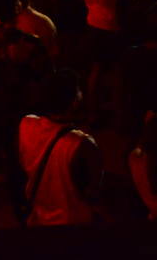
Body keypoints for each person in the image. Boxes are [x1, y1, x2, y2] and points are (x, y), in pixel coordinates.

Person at [18, 69, 102, 227]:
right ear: (74, 101)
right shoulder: (82, 144)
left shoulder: (26, 124)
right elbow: (93, 191)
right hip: (72, 221)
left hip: (37, 219)